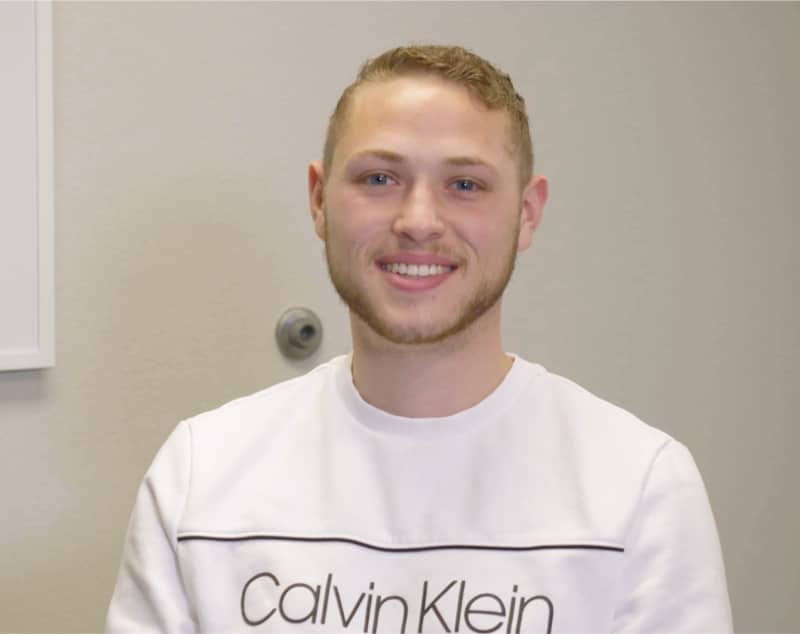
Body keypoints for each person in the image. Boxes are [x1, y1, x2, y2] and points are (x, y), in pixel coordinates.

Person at [106, 45, 733, 633]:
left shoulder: (638, 486)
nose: (418, 222)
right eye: (380, 179)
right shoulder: (202, 476)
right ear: (320, 199)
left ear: (528, 214)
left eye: (466, 185)